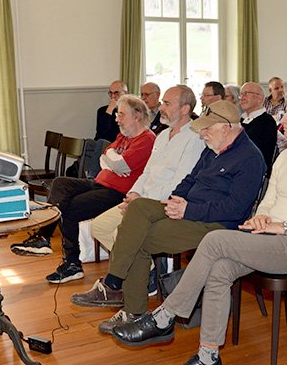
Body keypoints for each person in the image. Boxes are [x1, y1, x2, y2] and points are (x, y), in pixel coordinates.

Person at [107, 87, 287, 365]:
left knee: (216, 241)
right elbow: (269, 201)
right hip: (269, 237)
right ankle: (209, 358)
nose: (282, 118)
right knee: (220, 269)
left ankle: (165, 316)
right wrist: (262, 217)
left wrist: (284, 226)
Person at [69, 100, 266, 333]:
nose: (202, 134)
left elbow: (235, 209)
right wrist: (176, 200)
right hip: (188, 209)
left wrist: (188, 210)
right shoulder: (213, 149)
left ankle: (130, 307)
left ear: (226, 128)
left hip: (216, 224)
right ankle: (115, 281)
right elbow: (189, 180)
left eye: (207, 129)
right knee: (139, 206)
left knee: (138, 238)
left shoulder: (250, 158)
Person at [28, 95, 156, 282]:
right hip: (100, 182)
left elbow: (120, 165)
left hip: (119, 193)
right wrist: (113, 161)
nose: (116, 119)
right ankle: (45, 237)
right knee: (60, 183)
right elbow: (104, 156)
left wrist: (115, 163)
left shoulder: (146, 139)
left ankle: (71, 264)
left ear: (136, 116)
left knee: (70, 208)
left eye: (121, 115)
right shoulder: (123, 136)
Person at [90, 85, 206, 254]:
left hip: (163, 203)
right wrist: (134, 194)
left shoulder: (194, 138)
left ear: (185, 109)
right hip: (143, 198)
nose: (161, 108)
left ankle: (130, 273)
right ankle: (143, 269)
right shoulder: (163, 136)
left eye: (167, 104)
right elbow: (147, 172)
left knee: (120, 234)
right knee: (99, 227)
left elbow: (179, 185)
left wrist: (140, 202)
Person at [238, 81, 278, 174]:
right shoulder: (241, 120)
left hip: (254, 171)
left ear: (259, 98)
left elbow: (246, 148)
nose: (242, 98)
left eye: (246, 94)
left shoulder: (266, 121)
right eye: (241, 94)